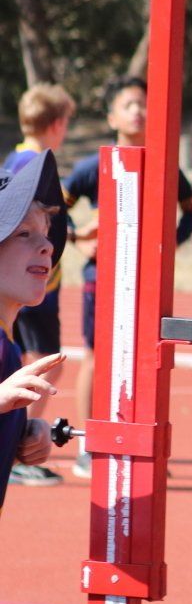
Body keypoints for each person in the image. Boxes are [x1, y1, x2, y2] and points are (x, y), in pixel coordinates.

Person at [62, 76, 192, 479]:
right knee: (96, 356)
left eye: (144, 103)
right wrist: (76, 239)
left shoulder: (163, 165)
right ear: (111, 116)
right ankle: (89, 446)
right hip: (102, 278)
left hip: (147, 280)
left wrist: (171, 245)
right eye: (129, 104)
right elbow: (58, 207)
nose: (138, 111)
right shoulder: (93, 167)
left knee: (145, 360)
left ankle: (140, 447)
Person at [5, 85, 75, 486]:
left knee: (26, 360)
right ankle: (20, 453)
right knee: (43, 363)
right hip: (41, 293)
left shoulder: (14, 159)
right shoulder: (35, 169)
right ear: (57, 124)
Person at [0, 149, 69, 514]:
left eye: (45, 233)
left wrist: (20, 442)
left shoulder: (7, 347)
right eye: (24, 233)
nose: (46, 244)